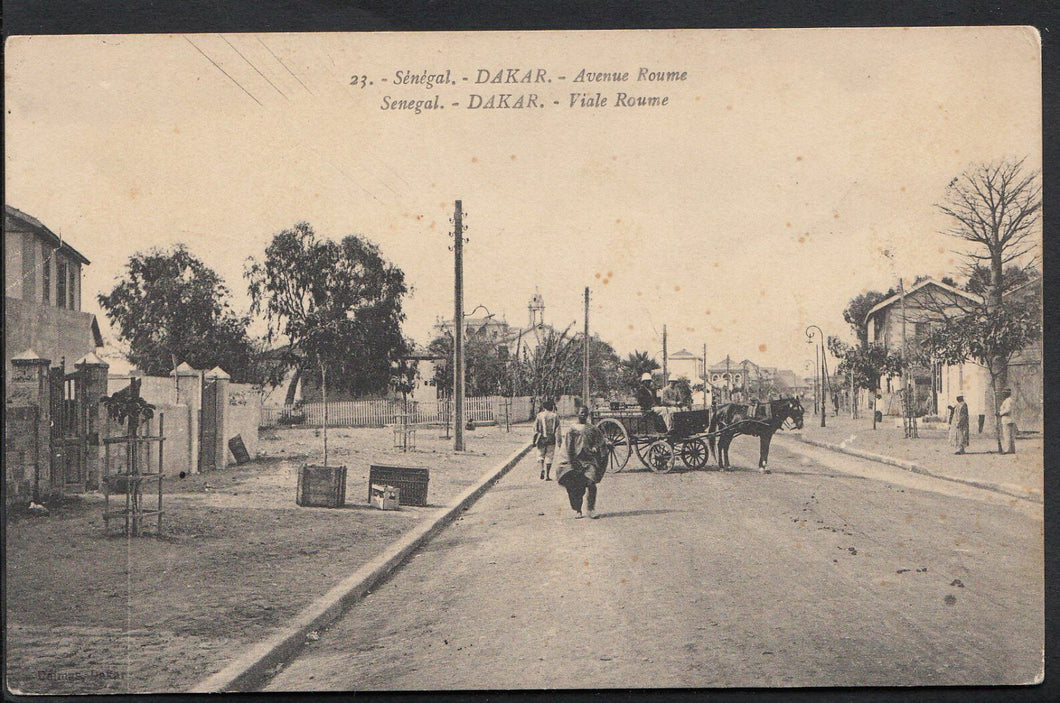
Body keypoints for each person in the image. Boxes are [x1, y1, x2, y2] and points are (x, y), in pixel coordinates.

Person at [556, 404, 607, 519]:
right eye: (581, 413)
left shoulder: (592, 429)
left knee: (591, 483)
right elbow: (568, 448)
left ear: (588, 414)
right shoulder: (572, 430)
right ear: (577, 414)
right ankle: (578, 509)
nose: (583, 415)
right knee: (575, 487)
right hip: (574, 461)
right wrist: (572, 461)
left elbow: (600, 441)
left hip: (589, 461)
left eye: (585, 413)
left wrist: (595, 446)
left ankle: (591, 509)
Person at [533, 398, 560, 480]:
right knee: (549, 456)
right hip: (551, 438)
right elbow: (558, 429)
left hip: (541, 438)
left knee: (540, 455)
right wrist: (559, 441)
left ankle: (541, 470)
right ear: (551, 407)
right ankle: (547, 476)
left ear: (544, 407)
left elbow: (535, 428)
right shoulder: (555, 416)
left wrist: (535, 439)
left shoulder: (539, 415)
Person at [998, 388, 1017, 454]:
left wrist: (1000, 413)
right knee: (1010, 435)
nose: (1003, 394)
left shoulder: (1008, 401)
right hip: (1009, 419)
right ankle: (1012, 449)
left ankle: (1007, 450)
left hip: (1007, 419)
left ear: (1007, 393)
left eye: (1004, 393)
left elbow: (1007, 410)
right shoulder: (1008, 400)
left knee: (1007, 435)